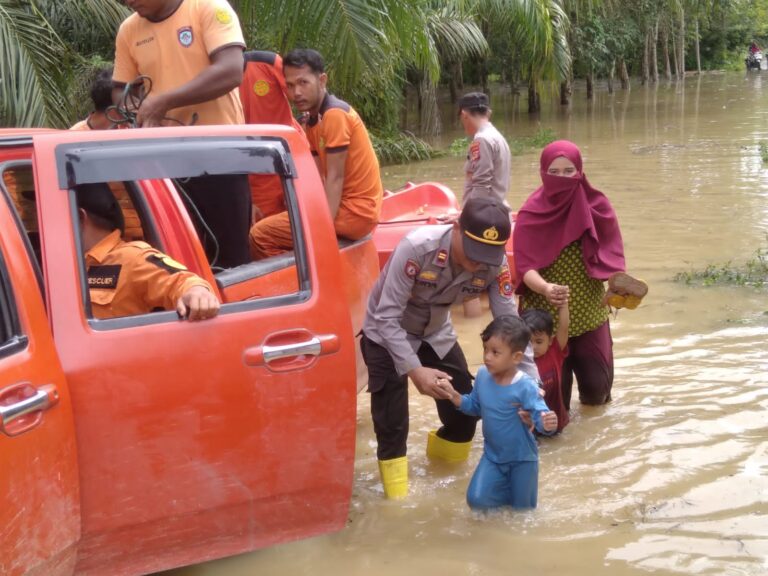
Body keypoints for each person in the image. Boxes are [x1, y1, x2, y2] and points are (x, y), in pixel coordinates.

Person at [360, 196, 539, 499]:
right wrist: (415, 371)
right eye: (473, 253)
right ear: (456, 228)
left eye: (487, 256)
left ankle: (444, 478)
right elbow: (386, 316)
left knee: (465, 415)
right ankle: (396, 505)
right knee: (393, 426)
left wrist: (531, 387)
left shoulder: (494, 264)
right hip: (385, 334)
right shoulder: (416, 249)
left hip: (435, 333)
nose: (477, 263)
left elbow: (511, 327)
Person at [113, 0, 251, 268]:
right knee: (173, 258)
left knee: (229, 258)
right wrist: (137, 108)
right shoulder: (129, 30)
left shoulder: (208, 7)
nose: (127, 2)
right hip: (164, 164)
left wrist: (164, 102)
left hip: (221, 157)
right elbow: (120, 90)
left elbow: (231, 70)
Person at [512, 140, 647, 410]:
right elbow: (525, 268)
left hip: (590, 311)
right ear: (543, 173)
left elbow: (611, 254)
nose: (562, 178)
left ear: (580, 172)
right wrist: (545, 288)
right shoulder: (530, 214)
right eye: (555, 172)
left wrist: (618, 285)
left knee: (597, 392)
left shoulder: (598, 207)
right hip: (544, 318)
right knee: (551, 402)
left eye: (568, 171)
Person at [249, 48, 383, 259]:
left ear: (322, 80)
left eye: (303, 83)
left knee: (260, 234)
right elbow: (318, 177)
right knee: (276, 221)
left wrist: (322, 228)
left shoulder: (334, 116)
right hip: (351, 210)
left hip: (356, 213)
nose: (296, 93)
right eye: (290, 85)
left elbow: (335, 178)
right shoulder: (312, 121)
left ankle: (299, 285)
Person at [438, 315, 557, 510]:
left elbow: (541, 416)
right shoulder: (483, 376)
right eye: (485, 349)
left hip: (522, 460)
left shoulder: (525, 386)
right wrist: (454, 396)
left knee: (523, 513)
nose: (486, 357)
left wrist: (547, 423)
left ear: (516, 357)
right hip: (492, 457)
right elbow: (475, 406)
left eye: (495, 352)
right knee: (476, 500)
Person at [77, 182, 220, 321]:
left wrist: (197, 293)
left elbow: (183, 281)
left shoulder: (133, 258)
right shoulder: (70, 266)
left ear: (80, 217)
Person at [239, 50, 305, 222]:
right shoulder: (209, 82)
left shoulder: (267, 63)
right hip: (254, 171)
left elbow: (304, 94)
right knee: (263, 229)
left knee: (301, 219)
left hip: (290, 156)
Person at [521, 303, 570, 433]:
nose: (533, 347)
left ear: (550, 340)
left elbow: (564, 327)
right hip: (530, 424)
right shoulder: (517, 360)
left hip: (556, 421)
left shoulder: (555, 351)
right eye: (528, 342)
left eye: (538, 341)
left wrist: (563, 304)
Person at [458, 92, 511, 207]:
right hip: (497, 210)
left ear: (464, 115)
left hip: (484, 217)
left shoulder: (481, 140)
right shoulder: (498, 137)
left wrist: (467, 215)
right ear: (488, 113)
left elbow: (481, 186)